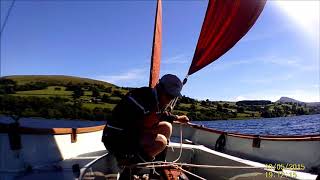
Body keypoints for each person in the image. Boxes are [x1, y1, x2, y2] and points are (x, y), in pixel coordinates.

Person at [102, 74, 189, 163]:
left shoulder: (157, 100)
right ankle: (128, 169)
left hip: (132, 132)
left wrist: (177, 118)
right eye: (168, 96)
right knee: (160, 142)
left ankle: (158, 165)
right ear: (159, 88)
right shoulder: (144, 97)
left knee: (166, 127)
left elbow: (161, 115)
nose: (169, 100)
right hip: (115, 138)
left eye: (173, 97)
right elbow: (148, 122)